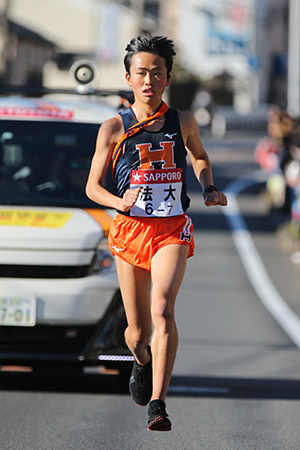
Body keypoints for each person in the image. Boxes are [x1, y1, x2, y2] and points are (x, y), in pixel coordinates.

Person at [86, 35, 227, 432]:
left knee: (163, 308)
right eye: (142, 73)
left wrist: (208, 186)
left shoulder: (182, 121)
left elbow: (198, 154)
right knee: (137, 332)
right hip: (130, 231)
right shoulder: (113, 127)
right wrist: (118, 201)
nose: (149, 80)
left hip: (171, 229)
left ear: (167, 78)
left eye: (157, 73)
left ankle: (158, 404)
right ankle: (141, 360)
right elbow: (92, 188)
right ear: (129, 77)